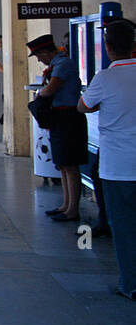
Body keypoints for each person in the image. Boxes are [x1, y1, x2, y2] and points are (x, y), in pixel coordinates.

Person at [78, 18, 136, 300]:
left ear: (108, 47)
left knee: (124, 226)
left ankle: (131, 283)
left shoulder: (105, 78)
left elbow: (83, 105)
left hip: (117, 167)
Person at [29, 34, 87, 223]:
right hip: (59, 118)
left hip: (69, 117)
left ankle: (72, 210)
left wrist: (39, 94)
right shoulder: (56, 65)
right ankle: (65, 204)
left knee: (70, 164)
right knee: (62, 164)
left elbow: (51, 88)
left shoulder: (63, 64)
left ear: (45, 52)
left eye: (38, 55)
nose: (39, 59)